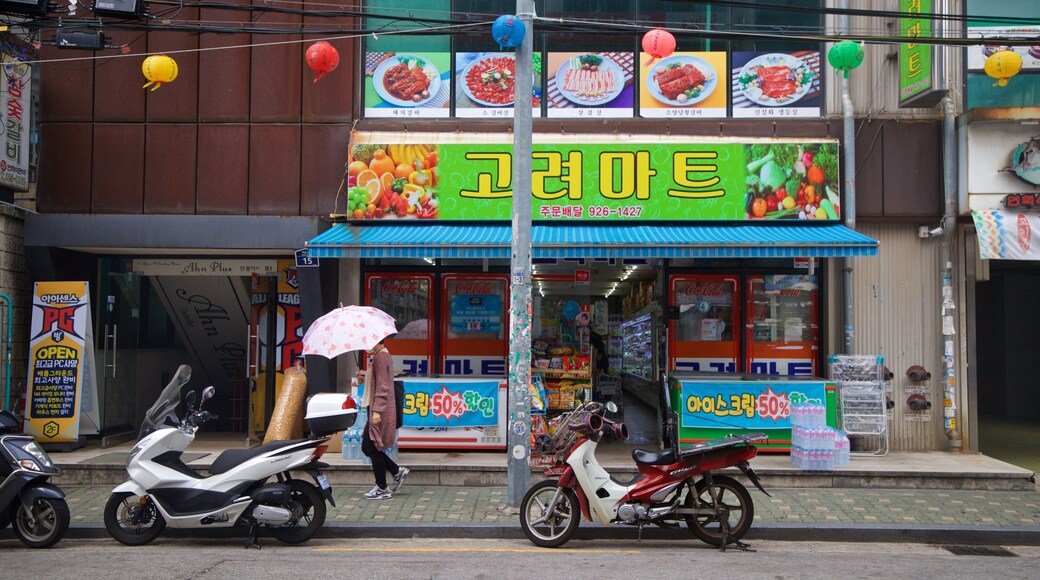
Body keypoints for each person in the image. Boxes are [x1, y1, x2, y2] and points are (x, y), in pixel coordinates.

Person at [360, 335, 409, 500]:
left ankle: (382, 488)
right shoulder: (380, 356)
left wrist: (376, 411)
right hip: (375, 408)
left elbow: (383, 386)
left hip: (379, 411)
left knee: (371, 447)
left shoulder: (381, 356)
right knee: (367, 447)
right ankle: (396, 471)